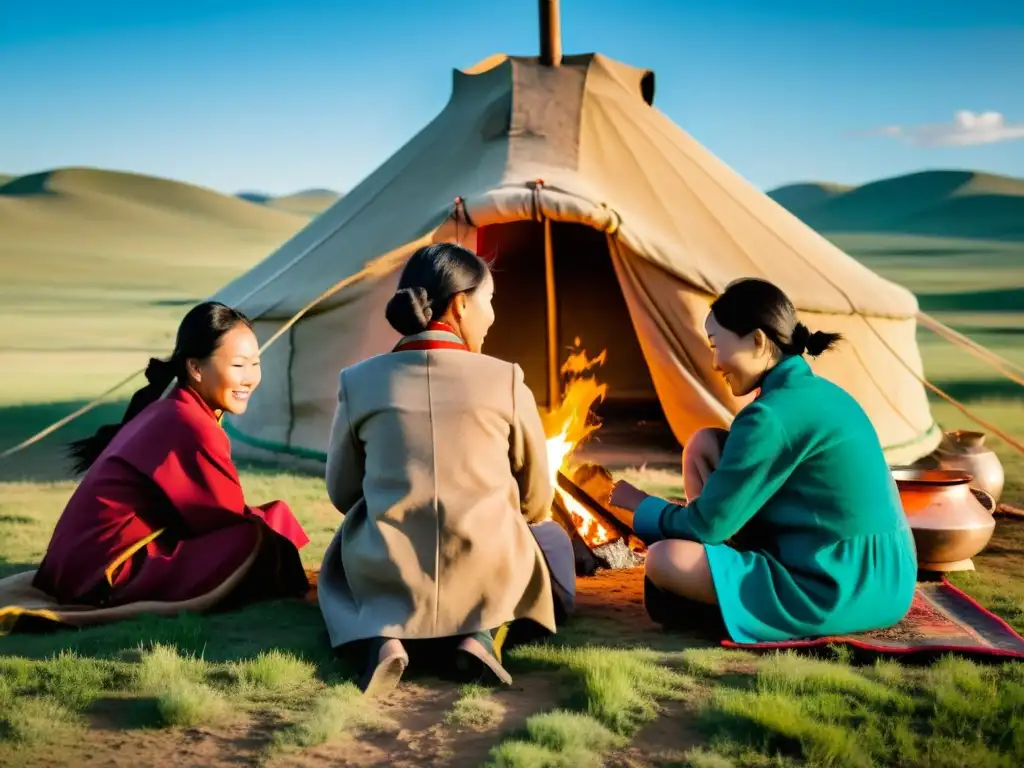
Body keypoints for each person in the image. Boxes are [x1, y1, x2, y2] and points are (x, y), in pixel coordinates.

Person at [318, 242, 576, 697]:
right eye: (490, 302)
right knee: (550, 539)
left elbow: (341, 493)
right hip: (485, 563)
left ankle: (383, 638)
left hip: (388, 569)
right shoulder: (506, 379)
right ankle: (478, 636)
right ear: (461, 304)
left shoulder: (357, 381)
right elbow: (538, 500)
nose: (492, 316)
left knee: (351, 551)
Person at [610, 278, 917, 644]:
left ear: (757, 341)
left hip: (835, 586)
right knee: (704, 444)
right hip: (890, 579)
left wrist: (640, 506)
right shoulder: (820, 394)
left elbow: (707, 527)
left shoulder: (770, 416)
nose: (715, 363)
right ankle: (726, 578)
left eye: (716, 346)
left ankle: (730, 603)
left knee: (664, 560)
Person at [30, 301, 310, 615]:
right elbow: (221, 518)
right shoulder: (188, 423)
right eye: (238, 365)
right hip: (102, 576)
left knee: (270, 522)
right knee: (256, 538)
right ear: (195, 367)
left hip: (74, 568)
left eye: (255, 364)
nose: (250, 378)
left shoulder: (175, 409)